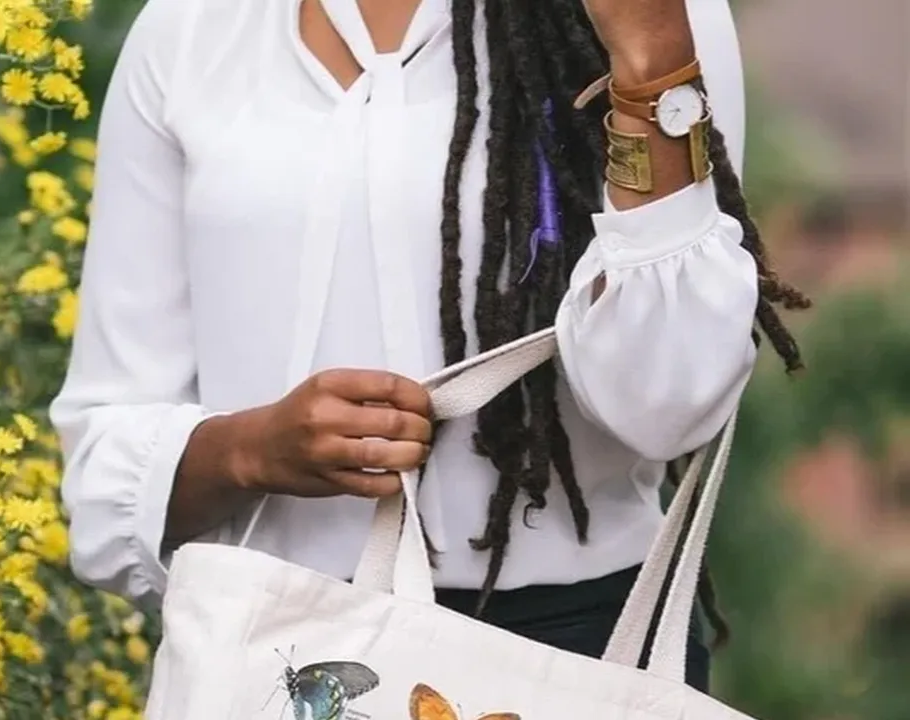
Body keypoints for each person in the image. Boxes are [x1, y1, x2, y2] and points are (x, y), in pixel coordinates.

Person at [49, 0, 809, 692]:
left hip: (584, 661)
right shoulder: (191, 30)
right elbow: (105, 462)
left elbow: (669, 402)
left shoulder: (657, 20)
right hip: (277, 660)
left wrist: (650, 66)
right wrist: (252, 450)